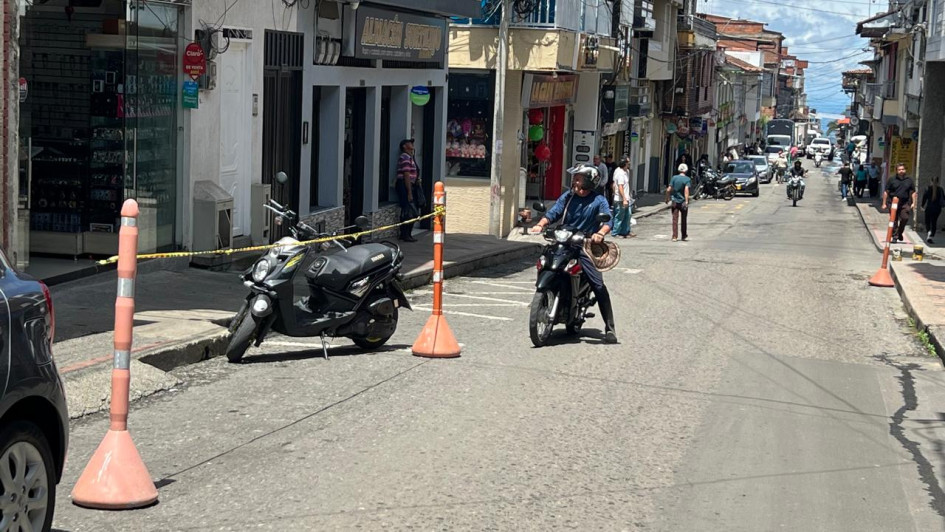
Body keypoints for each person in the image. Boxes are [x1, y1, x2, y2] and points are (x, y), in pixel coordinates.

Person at [528, 165, 618, 344]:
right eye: (575, 178)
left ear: (589, 181)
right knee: (545, 262)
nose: (575, 181)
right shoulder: (568, 196)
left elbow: (608, 219)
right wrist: (541, 224)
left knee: (598, 284)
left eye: (578, 178)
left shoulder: (598, 200)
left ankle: (610, 328)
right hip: (564, 241)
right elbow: (554, 212)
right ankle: (549, 296)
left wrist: (600, 233)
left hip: (584, 245)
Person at [882, 163, 918, 243]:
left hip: (904, 203)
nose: (901, 171)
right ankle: (895, 236)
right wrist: (884, 203)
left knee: (905, 218)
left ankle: (899, 232)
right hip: (893, 202)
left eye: (902, 169)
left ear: (905, 170)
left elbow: (913, 193)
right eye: (899, 170)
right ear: (896, 171)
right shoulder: (892, 179)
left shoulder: (909, 180)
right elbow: (886, 192)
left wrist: (913, 203)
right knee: (894, 220)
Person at [396, 138, 422, 242]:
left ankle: (407, 233)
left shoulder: (410, 157)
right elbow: (406, 175)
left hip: (410, 184)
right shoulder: (405, 157)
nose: (412, 144)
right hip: (405, 185)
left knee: (411, 208)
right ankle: (405, 234)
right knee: (408, 209)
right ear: (404, 146)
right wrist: (409, 192)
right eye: (409, 143)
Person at [665, 164, 691, 242]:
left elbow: (668, 189)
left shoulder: (674, 178)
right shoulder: (687, 179)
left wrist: (667, 198)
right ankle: (683, 235)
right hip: (683, 202)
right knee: (684, 219)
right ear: (686, 170)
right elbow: (686, 190)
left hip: (675, 201)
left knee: (675, 219)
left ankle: (674, 236)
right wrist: (686, 201)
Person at [611, 156, 633, 238]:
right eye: (628, 162)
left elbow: (626, 185)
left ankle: (625, 231)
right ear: (625, 163)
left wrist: (629, 197)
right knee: (619, 216)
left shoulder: (626, 171)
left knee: (628, 215)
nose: (629, 163)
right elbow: (620, 186)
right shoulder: (619, 173)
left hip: (626, 198)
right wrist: (623, 198)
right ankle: (615, 232)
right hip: (620, 199)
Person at [921, 177, 945, 244]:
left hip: (929, 208)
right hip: (937, 209)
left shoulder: (927, 188)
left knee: (927, 222)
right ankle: (931, 236)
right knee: (934, 222)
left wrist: (922, 206)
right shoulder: (940, 189)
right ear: (938, 182)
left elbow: (924, 198)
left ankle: (929, 232)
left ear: (931, 181)